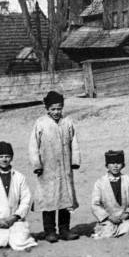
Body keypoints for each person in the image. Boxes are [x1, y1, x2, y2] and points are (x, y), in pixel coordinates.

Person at [29, 90, 81, 242]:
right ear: (47, 109)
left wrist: (75, 161)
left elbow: (74, 143)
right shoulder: (41, 123)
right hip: (47, 168)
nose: (56, 112)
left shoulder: (68, 123)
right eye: (53, 109)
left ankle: (64, 229)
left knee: (65, 199)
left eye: (59, 108)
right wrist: (37, 164)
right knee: (49, 199)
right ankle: (49, 231)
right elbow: (33, 145)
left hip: (65, 168)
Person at [0, 141, 37, 252]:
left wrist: (14, 217)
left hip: (15, 222)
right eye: (0, 157)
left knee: (20, 241)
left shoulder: (19, 177)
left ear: (12, 158)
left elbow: (26, 200)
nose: (4, 160)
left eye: (7, 156)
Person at [89, 150, 129, 238]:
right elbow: (95, 205)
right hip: (108, 219)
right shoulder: (100, 183)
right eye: (112, 163)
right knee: (107, 230)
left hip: (124, 218)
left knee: (126, 228)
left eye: (118, 163)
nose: (115, 166)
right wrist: (108, 217)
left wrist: (128, 214)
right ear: (106, 165)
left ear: (123, 165)